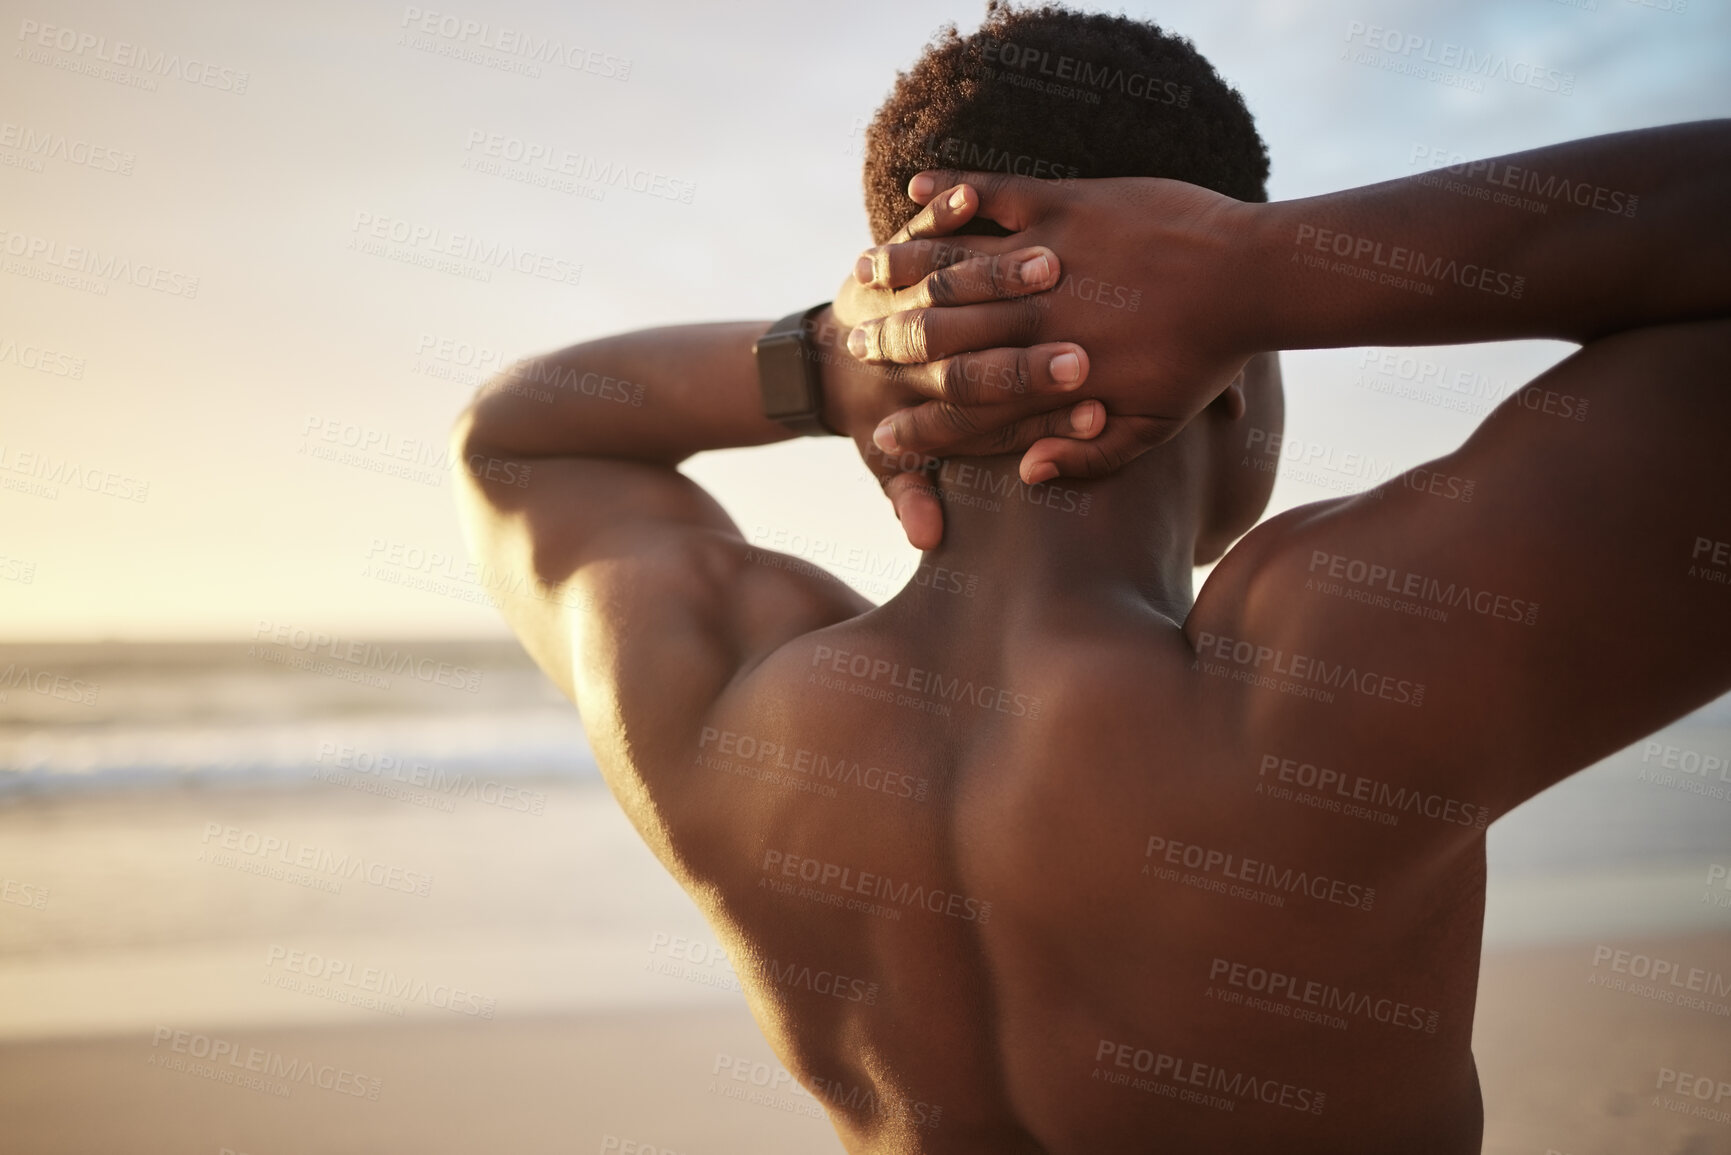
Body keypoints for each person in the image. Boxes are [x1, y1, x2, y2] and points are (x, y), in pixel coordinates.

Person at [450, 4, 1731, 1151]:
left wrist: (818, 360)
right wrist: (1258, 269)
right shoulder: (1337, 671)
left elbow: (520, 436)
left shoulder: (730, 709)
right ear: (1237, 385)